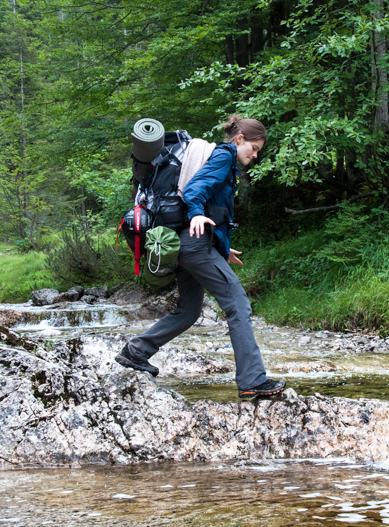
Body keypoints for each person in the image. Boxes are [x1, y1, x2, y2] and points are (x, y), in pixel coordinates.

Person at [115, 115, 286, 399]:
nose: (254, 155)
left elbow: (213, 208)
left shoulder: (224, 160)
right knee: (238, 304)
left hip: (185, 244)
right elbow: (195, 190)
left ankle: (135, 352)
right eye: (254, 148)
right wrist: (196, 215)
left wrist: (222, 247)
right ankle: (252, 379)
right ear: (240, 139)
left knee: (189, 311)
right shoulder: (224, 156)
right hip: (194, 244)